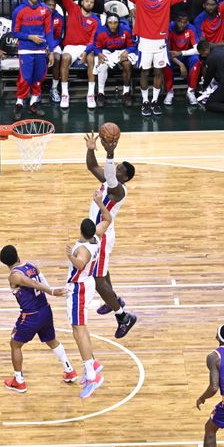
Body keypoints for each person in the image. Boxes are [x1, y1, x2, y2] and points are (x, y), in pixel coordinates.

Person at [84, 131, 138, 339]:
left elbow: (106, 171)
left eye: (119, 170)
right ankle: (113, 300)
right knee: (103, 274)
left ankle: (123, 316)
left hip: (102, 236)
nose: (115, 170)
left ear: (124, 177)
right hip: (99, 234)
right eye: (116, 167)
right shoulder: (109, 182)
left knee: (97, 280)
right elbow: (91, 166)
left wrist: (109, 153)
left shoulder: (118, 191)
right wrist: (90, 149)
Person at [0, 245, 75, 393]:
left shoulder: (14, 275)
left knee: (15, 344)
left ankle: (19, 381)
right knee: (51, 341)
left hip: (31, 315)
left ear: (4, 263)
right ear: (17, 254)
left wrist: (52, 291)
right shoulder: (30, 266)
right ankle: (69, 370)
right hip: (45, 310)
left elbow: (33, 283)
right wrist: (50, 289)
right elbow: (42, 280)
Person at [66, 190, 112, 399]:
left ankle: (92, 374)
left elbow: (81, 262)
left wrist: (69, 255)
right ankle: (92, 364)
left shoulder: (83, 248)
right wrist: (99, 203)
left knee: (78, 330)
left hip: (80, 287)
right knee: (80, 328)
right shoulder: (97, 235)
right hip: (86, 285)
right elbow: (108, 219)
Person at [126, 0, 190, 116]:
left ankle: (154, 101)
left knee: (158, 72)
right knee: (144, 72)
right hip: (145, 41)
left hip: (160, 41)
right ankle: (145, 101)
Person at [12, 0, 56, 119]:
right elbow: (15, 32)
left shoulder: (45, 9)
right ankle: (19, 102)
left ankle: (34, 103)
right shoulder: (19, 10)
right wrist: (30, 37)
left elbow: (49, 32)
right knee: (25, 78)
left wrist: (51, 51)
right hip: (26, 49)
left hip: (41, 50)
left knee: (39, 77)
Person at [57, 0, 100, 109]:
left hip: (86, 47)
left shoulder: (95, 19)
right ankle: (65, 94)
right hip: (70, 46)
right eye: (87, 1)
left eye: (92, 2)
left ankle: (90, 95)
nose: (89, 3)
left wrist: (86, 52)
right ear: (82, 2)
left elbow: (93, 40)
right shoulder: (73, 8)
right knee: (65, 58)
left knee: (91, 59)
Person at [92, 13, 134, 107]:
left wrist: (127, 51)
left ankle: (126, 93)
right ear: (107, 23)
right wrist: (99, 54)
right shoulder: (100, 31)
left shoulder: (126, 30)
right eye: (110, 23)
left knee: (127, 64)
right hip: (107, 51)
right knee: (102, 64)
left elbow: (133, 45)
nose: (113, 25)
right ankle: (100, 93)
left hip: (121, 52)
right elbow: (96, 47)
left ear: (119, 23)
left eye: (115, 23)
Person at [164, 12, 201, 106]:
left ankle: (190, 91)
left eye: (185, 22)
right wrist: (181, 65)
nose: (182, 24)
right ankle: (170, 92)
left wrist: (181, 53)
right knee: (164, 62)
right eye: (180, 21)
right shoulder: (168, 28)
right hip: (171, 56)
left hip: (185, 55)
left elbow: (197, 49)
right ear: (175, 21)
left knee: (196, 60)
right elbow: (166, 51)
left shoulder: (191, 28)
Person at [43, 0, 64, 103]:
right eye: (49, 5)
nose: (51, 7)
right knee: (39, 59)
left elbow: (59, 37)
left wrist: (50, 47)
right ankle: (36, 90)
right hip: (40, 44)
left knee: (56, 58)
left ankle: (54, 88)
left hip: (54, 44)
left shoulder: (59, 18)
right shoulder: (38, 15)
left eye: (53, 5)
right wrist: (44, 45)